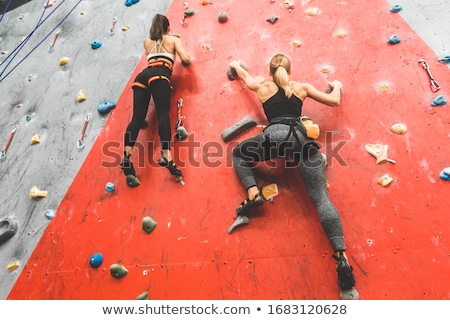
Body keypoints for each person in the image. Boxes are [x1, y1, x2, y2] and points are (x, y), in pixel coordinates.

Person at [227, 54, 356, 293]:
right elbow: (334, 100)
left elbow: (244, 77)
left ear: (270, 71)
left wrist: (235, 65)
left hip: (274, 138)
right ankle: (342, 257)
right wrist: (336, 85)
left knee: (238, 153)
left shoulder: (262, 86)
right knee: (321, 198)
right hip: (300, 138)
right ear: (290, 70)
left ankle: (254, 193)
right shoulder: (301, 87)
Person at [121, 14, 191, 187]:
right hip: (160, 74)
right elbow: (186, 59)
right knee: (162, 115)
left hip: (142, 76)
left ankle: (127, 156)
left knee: (137, 118)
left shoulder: (147, 42)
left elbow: (154, 52)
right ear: (168, 28)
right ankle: (166, 154)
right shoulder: (172, 40)